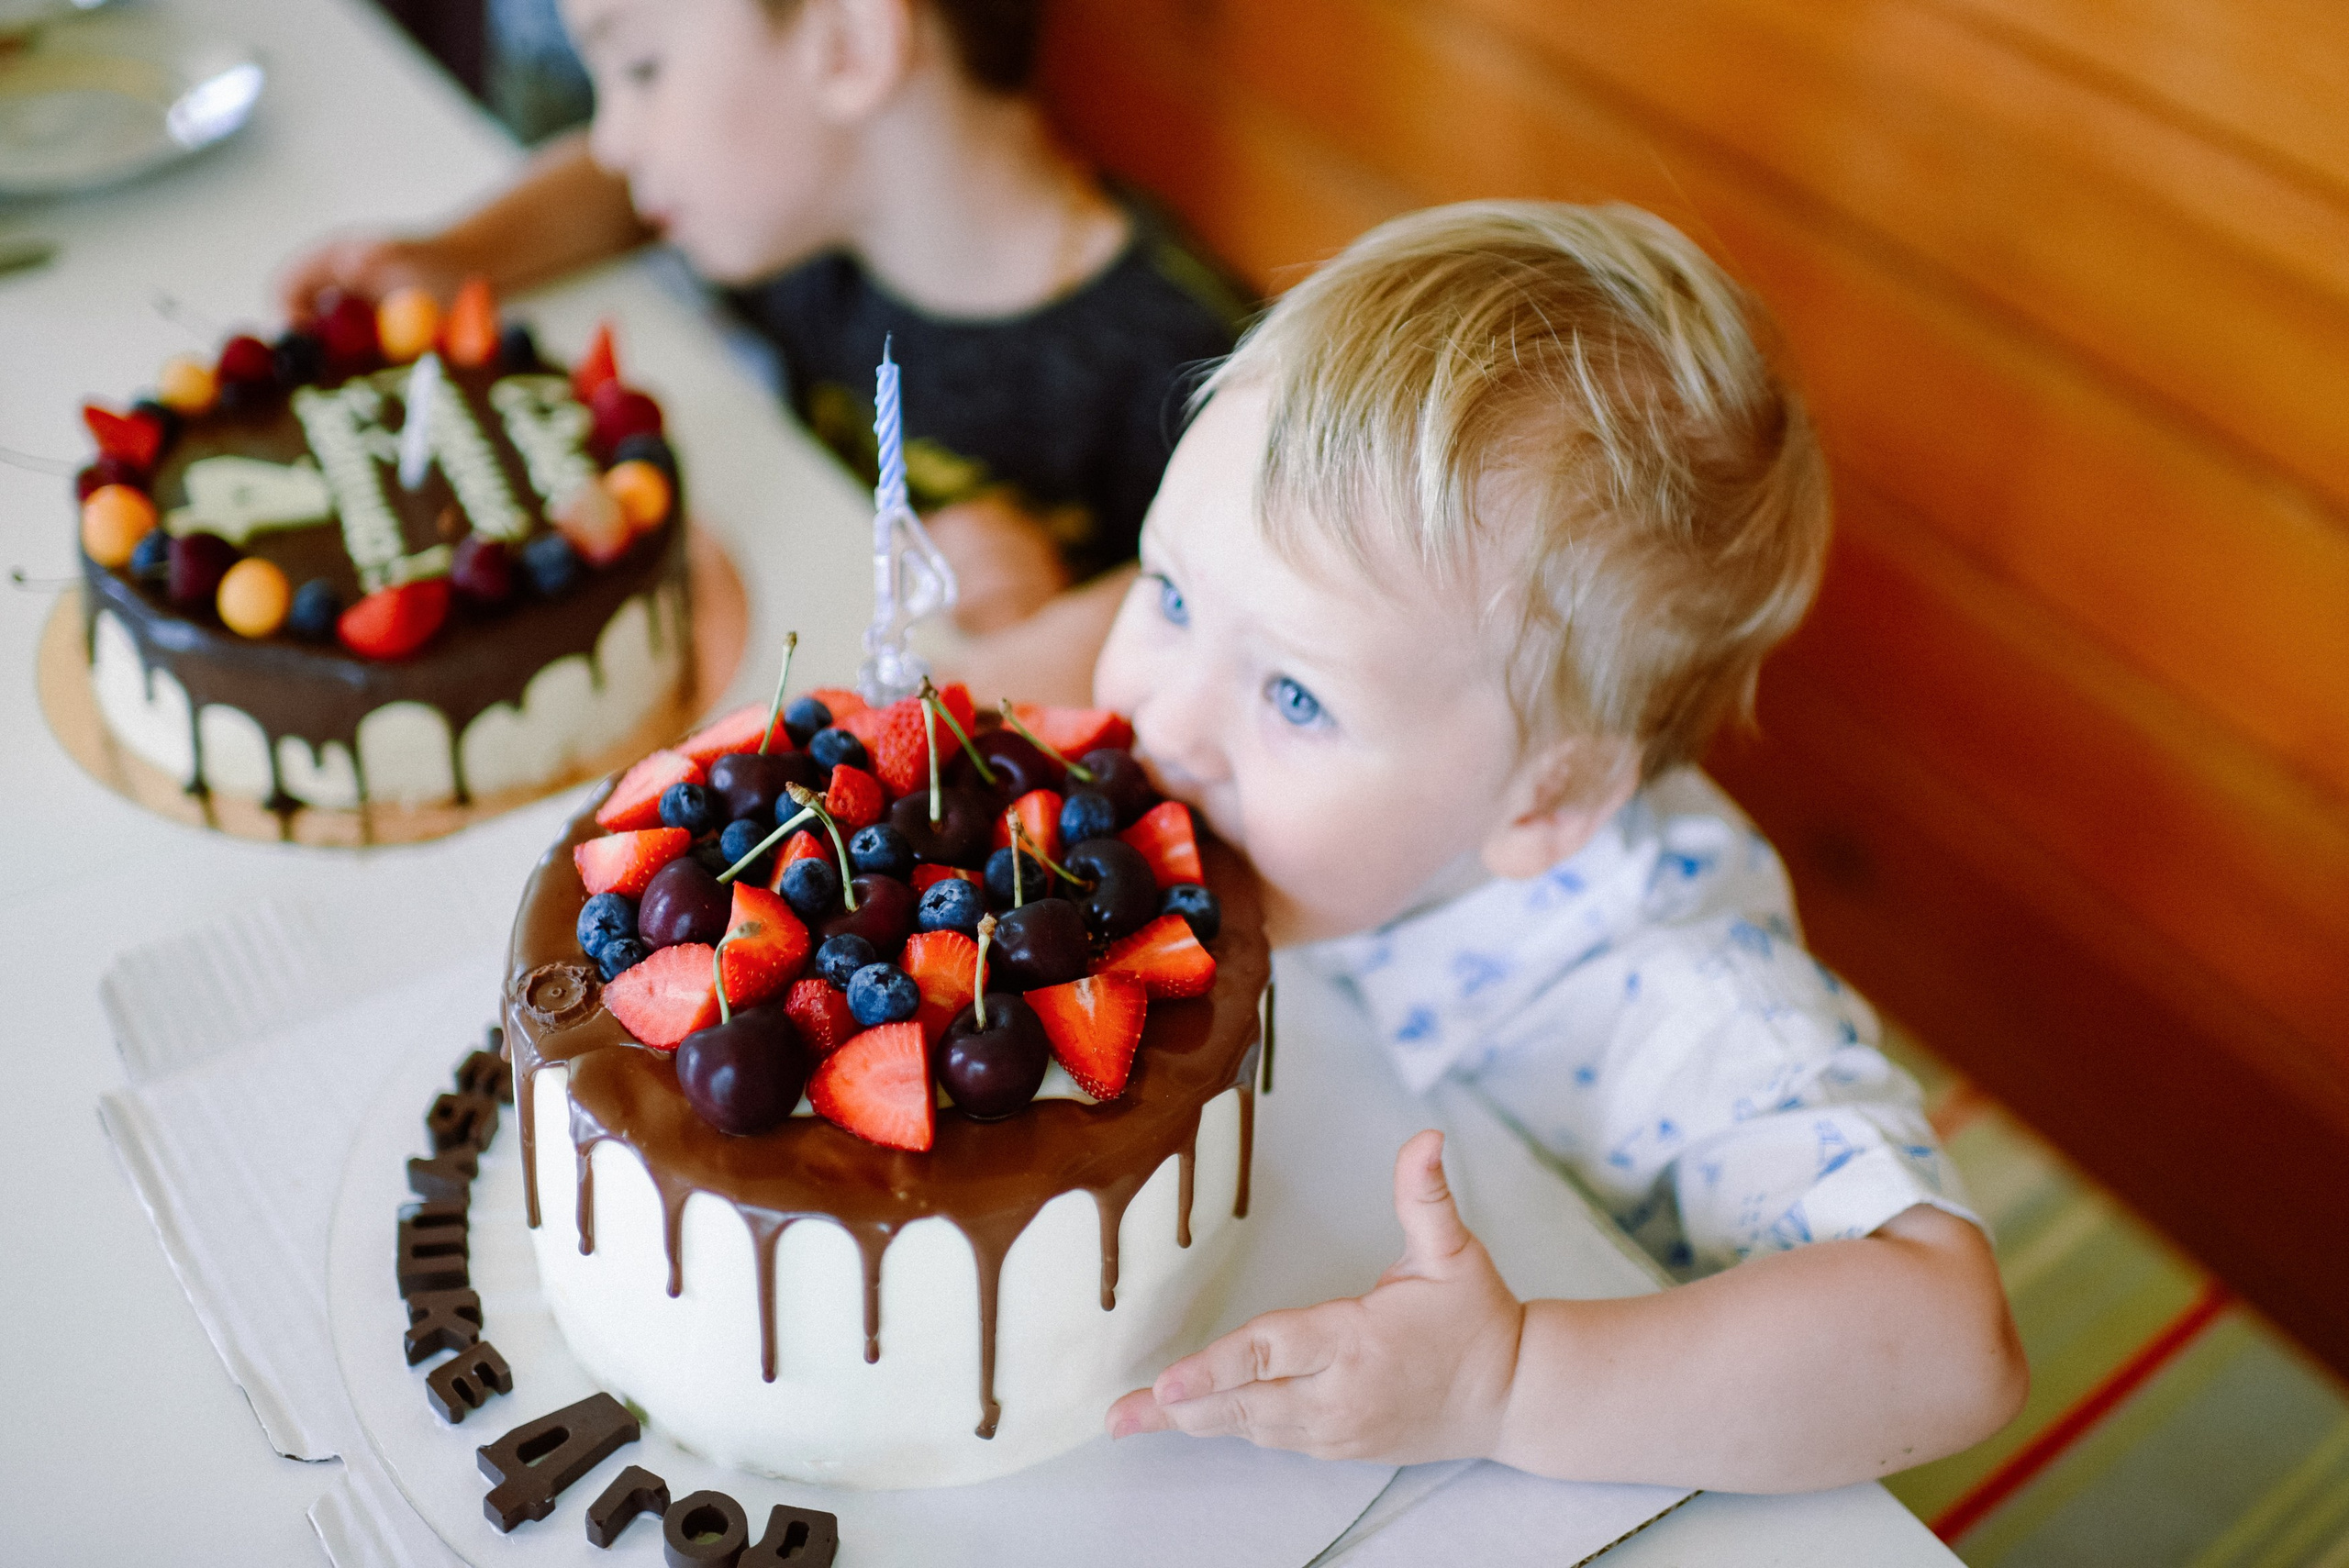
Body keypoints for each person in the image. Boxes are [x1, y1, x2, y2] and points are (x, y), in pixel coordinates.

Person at [1090, 202, 2027, 1490]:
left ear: (1545, 802)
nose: (1165, 721)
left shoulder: (1671, 998)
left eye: (1295, 696)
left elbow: (1954, 1348)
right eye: (1171, 594)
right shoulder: (1261, 770)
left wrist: (1508, 1383)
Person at [277, 0, 1247, 661]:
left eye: (643, 69)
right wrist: (463, 255)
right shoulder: (813, 206)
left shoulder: (1200, 374)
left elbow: (1266, 620)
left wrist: (1082, 621)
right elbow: (620, 195)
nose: (613, 138)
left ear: (849, 47)